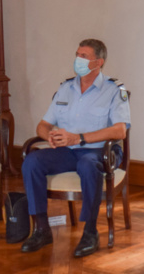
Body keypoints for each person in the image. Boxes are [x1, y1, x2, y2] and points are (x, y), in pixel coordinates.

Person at [21, 39, 130, 258]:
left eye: (84, 56)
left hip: (100, 151)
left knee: (88, 164)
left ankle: (90, 232)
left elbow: (119, 131)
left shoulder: (114, 90)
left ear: (98, 62)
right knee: (32, 161)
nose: (77, 60)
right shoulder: (65, 88)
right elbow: (42, 126)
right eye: (77, 54)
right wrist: (50, 137)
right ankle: (41, 228)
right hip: (67, 151)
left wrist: (79, 138)